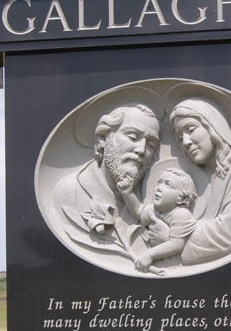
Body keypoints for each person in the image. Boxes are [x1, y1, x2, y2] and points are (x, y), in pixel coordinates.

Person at [53, 103, 160, 259]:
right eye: (132, 137)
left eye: (151, 144)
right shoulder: (70, 192)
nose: (141, 150)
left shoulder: (156, 199)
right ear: (103, 138)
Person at [169, 97, 231, 264]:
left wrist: (170, 238)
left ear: (213, 127)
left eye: (191, 129)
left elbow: (227, 235)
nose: (185, 142)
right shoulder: (195, 178)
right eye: (179, 137)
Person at [121, 167, 198, 274]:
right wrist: (127, 193)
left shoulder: (181, 214)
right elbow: (138, 211)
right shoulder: (154, 209)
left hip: (173, 265)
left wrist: (149, 255)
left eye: (168, 185)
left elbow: (177, 244)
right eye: (159, 182)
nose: (159, 188)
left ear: (181, 197)